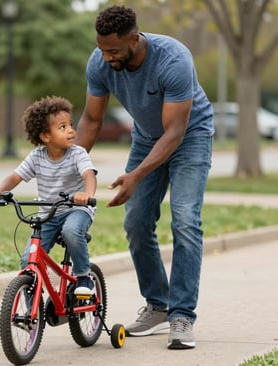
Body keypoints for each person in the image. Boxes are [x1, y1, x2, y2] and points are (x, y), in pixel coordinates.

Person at [75, 5, 213, 349]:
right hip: (146, 138)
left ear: (134, 40)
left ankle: (181, 314)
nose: (107, 57)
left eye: (114, 50)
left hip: (190, 137)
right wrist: (72, 167)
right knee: (135, 222)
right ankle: (158, 306)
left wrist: (135, 175)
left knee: (184, 219)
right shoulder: (99, 61)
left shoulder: (173, 59)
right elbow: (91, 120)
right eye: (102, 49)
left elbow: (175, 131)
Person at [0, 96, 97, 296]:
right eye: (63, 127)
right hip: (50, 214)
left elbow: (89, 175)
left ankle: (83, 277)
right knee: (28, 259)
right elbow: (15, 176)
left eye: (71, 125)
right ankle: (31, 313)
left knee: (71, 231)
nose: (71, 130)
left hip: (77, 210)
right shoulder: (37, 157)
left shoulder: (78, 153)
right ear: (45, 136)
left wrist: (87, 194)